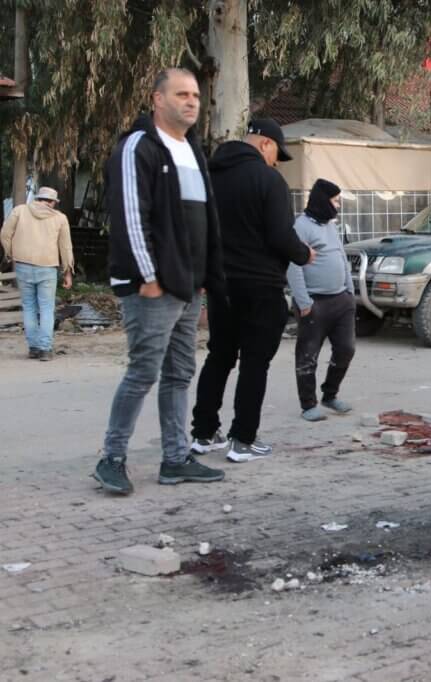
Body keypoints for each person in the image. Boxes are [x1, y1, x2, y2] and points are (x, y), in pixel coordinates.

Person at [92, 68, 227, 495]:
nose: (191, 102)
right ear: (157, 100)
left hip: (187, 287)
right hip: (152, 286)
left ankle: (175, 459)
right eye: (181, 94)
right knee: (143, 372)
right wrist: (148, 277)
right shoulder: (139, 147)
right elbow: (131, 216)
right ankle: (111, 458)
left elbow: (202, 220)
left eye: (195, 96)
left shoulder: (192, 149)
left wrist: (202, 277)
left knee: (179, 373)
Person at [190, 118, 314, 463]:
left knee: (220, 356)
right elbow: (279, 235)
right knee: (254, 363)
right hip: (260, 285)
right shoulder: (268, 180)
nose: (276, 162)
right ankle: (243, 439)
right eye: (277, 154)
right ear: (265, 145)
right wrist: (304, 253)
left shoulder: (210, 176)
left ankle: (203, 432)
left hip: (221, 284)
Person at [286, 179, 356, 422]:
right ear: (322, 200)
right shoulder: (301, 226)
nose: (337, 205)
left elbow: (341, 256)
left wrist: (350, 291)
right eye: (335, 200)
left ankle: (330, 395)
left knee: (346, 349)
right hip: (314, 302)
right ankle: (308, 405)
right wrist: (304, 302)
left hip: (341, 300)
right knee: (308, 356)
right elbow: (294, 266)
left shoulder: (330, 225)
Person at [1, 187, 74, 360]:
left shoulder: (19, 211)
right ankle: (45, 349)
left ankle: (33, 348)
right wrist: (67, 272)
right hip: (48, 267)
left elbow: (5, 234)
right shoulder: (60, 218)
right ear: (51, 202)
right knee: (47, 308)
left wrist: (11, 253)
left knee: (29, 307)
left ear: (38, 198)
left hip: (23, 265)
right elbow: (65, 247)